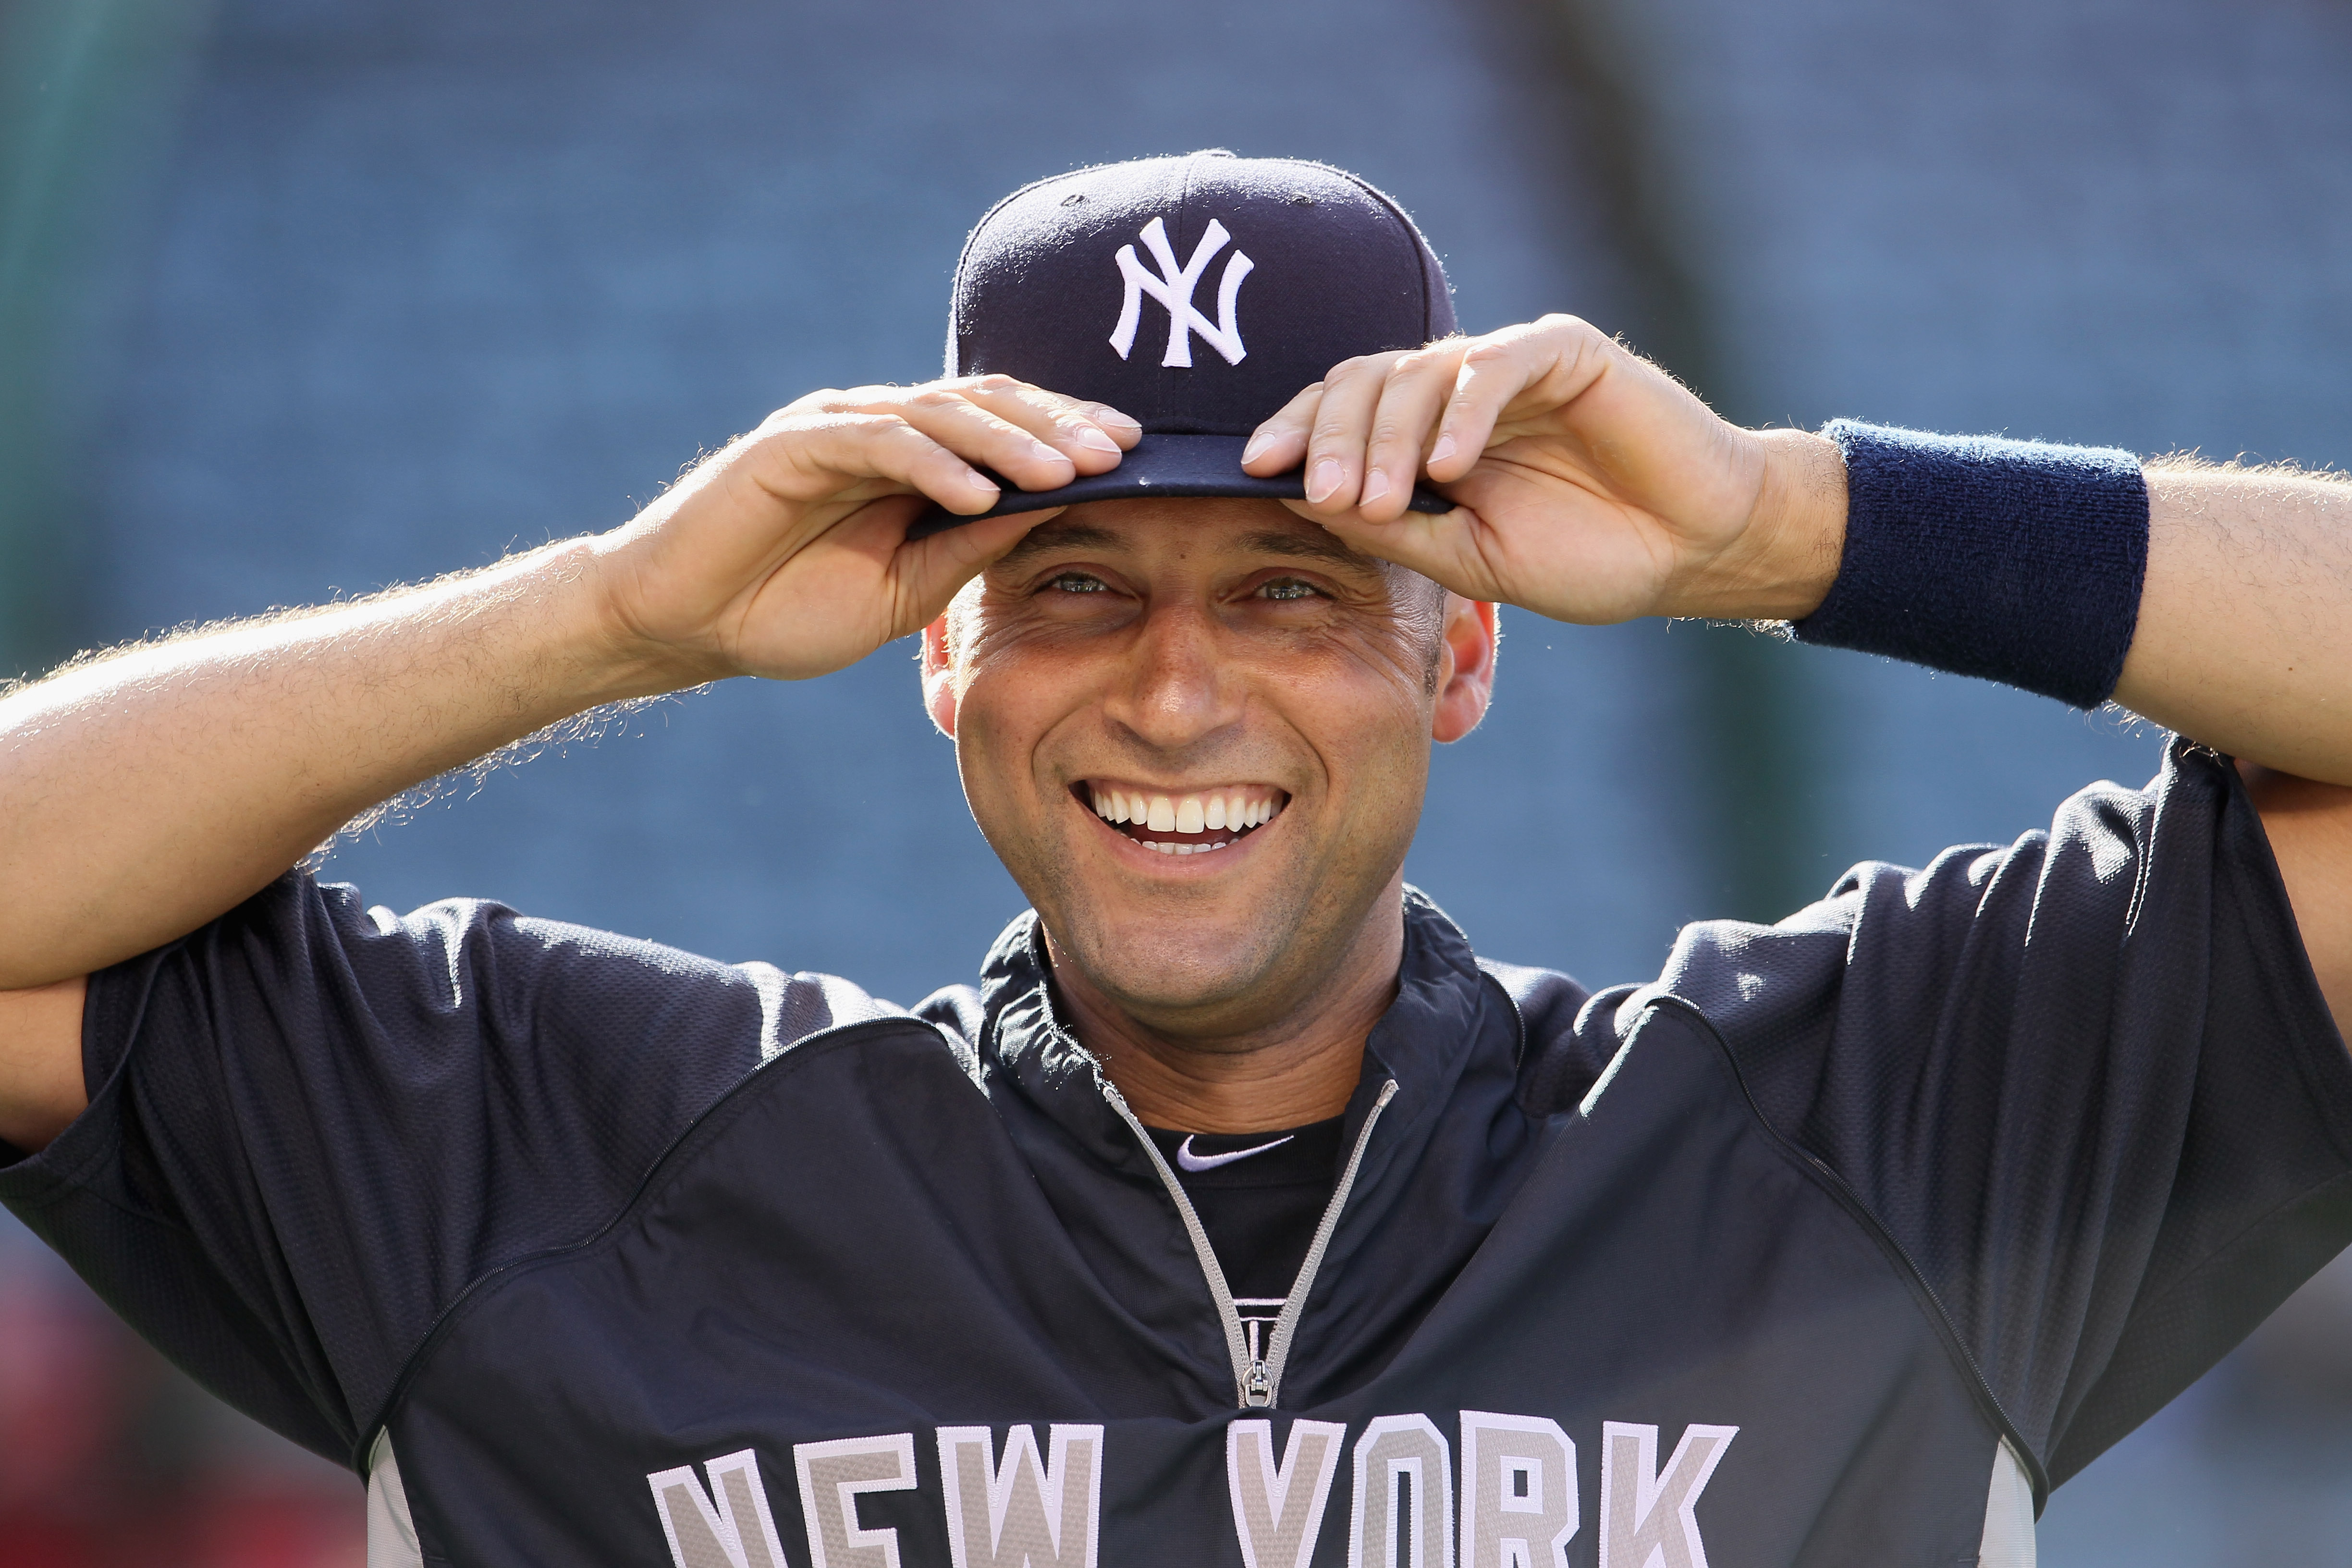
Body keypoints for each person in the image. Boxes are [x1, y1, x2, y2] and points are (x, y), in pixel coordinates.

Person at [0, 149, 2347, 1568]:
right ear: (944, 662)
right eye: (1078, 584)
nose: (1178, 691)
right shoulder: (547, 1158)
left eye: (1296, 587)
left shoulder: (1864, 1131)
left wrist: (1787, 525)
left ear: (1461, 662)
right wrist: (602, 615)